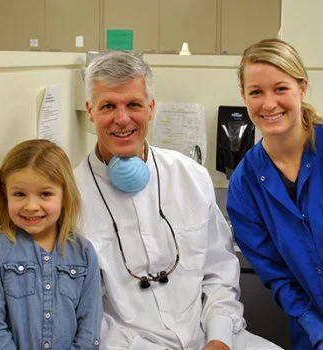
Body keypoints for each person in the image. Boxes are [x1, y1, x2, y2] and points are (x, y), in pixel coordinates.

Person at [74, 50, 282, 350]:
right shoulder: (70, 197)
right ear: (90, 111)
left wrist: (219, 338)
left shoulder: (190, 177)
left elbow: (219, 272)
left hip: (211, 336)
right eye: (108, 106)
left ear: (151, 108)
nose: (122, 119)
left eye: (134, 104)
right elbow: (88, 314)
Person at [227, 38, 323, 350]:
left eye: (281, 88)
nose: (269, 104)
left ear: (302, 88)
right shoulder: (244, 187)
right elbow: (279, 278)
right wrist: (316, 330)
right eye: (256, 92)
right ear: (244, 96)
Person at [0, 139, 102, 350]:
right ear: (5, 193)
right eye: (19, 194)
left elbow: (90, 327)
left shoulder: (84, 252)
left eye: (45, 194)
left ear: (64, 195)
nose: (31, 206)